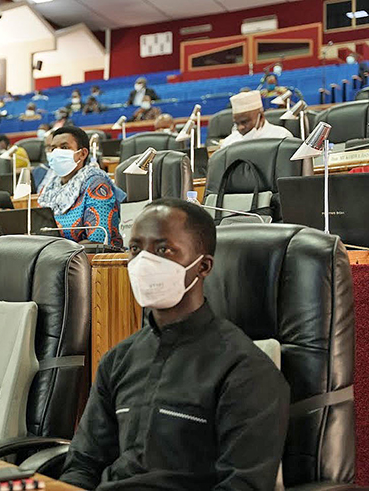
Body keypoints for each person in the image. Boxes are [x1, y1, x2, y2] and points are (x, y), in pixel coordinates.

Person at [60, 198, 289, 490]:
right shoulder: (118, 359)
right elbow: (83, 464)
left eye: (163, 249)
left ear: (203, 266)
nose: (143, 261)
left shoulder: (246, 371)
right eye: (135, 249)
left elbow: (243, 485)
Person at [38, 127, 125, 247]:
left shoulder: (97, 186)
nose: (56, 153)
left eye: (64, 147)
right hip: (53, 258)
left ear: (82, 154)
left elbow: (98, 241)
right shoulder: (49, 189)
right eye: (53, 148)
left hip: (91, 261)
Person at [220, 91, 292, 148]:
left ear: (261, 117)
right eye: (237, 123)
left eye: (244, 122)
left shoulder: (281, 137)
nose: (240, 127)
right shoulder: (228, 143)